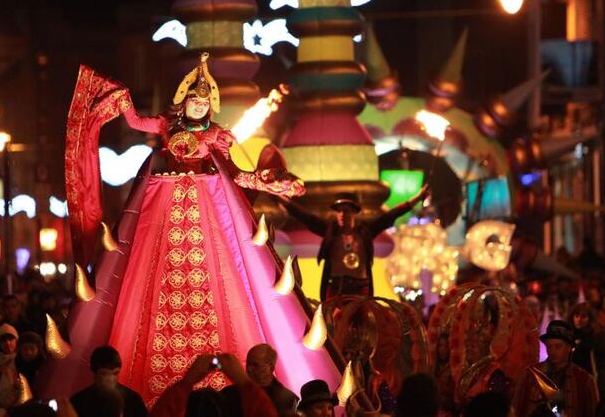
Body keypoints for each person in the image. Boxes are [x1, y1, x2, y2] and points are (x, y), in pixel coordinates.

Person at [38, 52, 339, 403]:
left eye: (204, 102)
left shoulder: (216, 136)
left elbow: (234, 174)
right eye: (194, 100)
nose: (199, 106)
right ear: (184, 102)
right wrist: (122, 100)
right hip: (162, 212)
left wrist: (265, 181)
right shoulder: (165, 126)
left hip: (207, 213)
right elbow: (135, 121)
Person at [281, 188, 428, 299]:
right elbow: (306, 218)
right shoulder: (330, 231)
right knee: (331, 323)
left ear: (354, 213)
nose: (342, 215)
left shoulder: (365, 232)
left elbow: (391, 215)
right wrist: (280, 199)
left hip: (360, 287)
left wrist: (417, 198)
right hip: (336, 286)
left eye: (346, 211)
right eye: (339, 211)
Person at [512, 320, 599, 417]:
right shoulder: (530, 375)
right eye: (549, 347)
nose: (552, 351)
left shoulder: (584, 380)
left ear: (569, 348)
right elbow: (516, 410)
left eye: (558, 347)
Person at [150, 353, 277, 417]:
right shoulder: (231, 393)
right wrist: (244, 382)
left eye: (255, 365)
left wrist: (186, 382)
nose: (250, 369)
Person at [222, 344, 297, 416]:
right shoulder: (229, 393)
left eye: (255, 365)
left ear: (270, 368)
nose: (249, 369)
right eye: (248, 363)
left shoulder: (286, 399)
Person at [70, 346, 145, 417]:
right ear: (94, 373)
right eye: (104, 374)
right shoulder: (78, 401)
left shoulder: (133, 400)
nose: (111, 380)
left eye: (115, 373)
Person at [568, 302, 605, 398]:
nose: (579, 320)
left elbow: (602, 364)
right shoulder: (569, 336)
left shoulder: (597, 337)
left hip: (592, 381)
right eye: (576, 316)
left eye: (584, 317)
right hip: (572, 381)